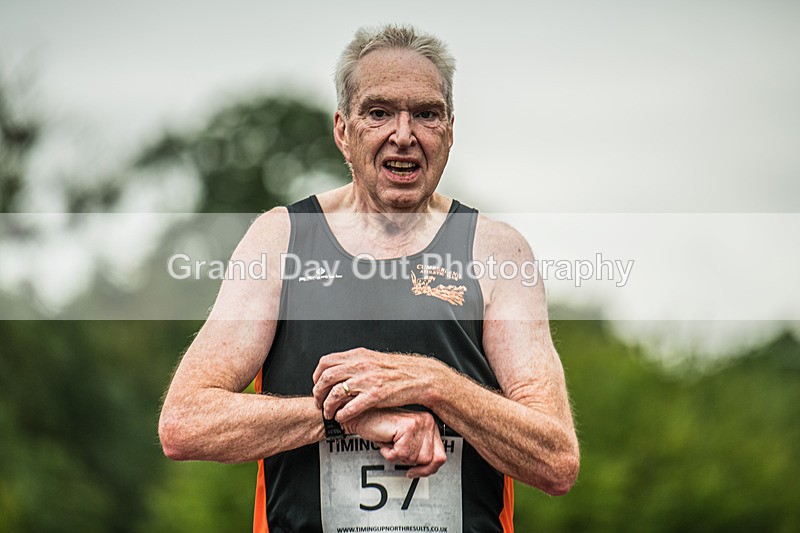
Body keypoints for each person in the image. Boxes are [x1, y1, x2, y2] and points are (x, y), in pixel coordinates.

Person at [158, 24, 579, 533]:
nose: (404, 135)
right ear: (343, 130)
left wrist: (436, 384)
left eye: (426, 114)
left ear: (449, 130)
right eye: (379, 113)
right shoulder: (282, 240)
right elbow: (185, 423)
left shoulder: (496, 251)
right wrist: (344, 418)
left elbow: (556, 459)